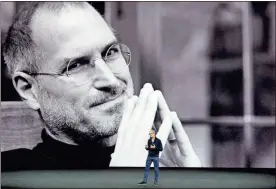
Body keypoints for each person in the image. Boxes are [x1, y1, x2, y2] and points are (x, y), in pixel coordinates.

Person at [1, 2, 201, 171]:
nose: (111, 81)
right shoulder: (11, 174)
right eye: (76, 65)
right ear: (29, 89)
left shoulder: (168, 164)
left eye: (111, 52)